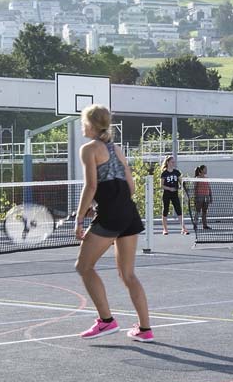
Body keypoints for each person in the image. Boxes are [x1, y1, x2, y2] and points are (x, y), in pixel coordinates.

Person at [72, 105, 154, 341]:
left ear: (90, 124)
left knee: (83, 266)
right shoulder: (115, 149)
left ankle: (106, 321)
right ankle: (145, 329)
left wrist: (79, 218)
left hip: (112, 216)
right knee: (128, 275)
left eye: (82, 121)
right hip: (128, 212)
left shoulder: (88, 149)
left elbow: (91, 186)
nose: (81, 126)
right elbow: (131, 186)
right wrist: (102, 205)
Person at [158, 155, 188, 235]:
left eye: (174, 162)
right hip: (167, 194)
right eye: (172, 162)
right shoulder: (164, 173)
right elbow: (161, 185)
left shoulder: (176, 172)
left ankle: (183, 228)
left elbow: (181, 182)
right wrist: (169, 188)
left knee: (179, 210)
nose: (173, 163)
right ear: (168, 162)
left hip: (175, 194)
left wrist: (183, 187)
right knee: (165, 210)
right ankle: (165, 229)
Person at [191, 164, 213, 231]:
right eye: (205, 169)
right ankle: (195, 225)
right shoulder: (197, 178)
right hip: (199, 197)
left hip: (206, 197)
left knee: (204, 212)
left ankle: (205, 225)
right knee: (197, 211)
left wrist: (210, 196)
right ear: (201, 170)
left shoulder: (206, 178)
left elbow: (209, 188)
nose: (206, 170)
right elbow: (194, 188)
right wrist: (195, 197)